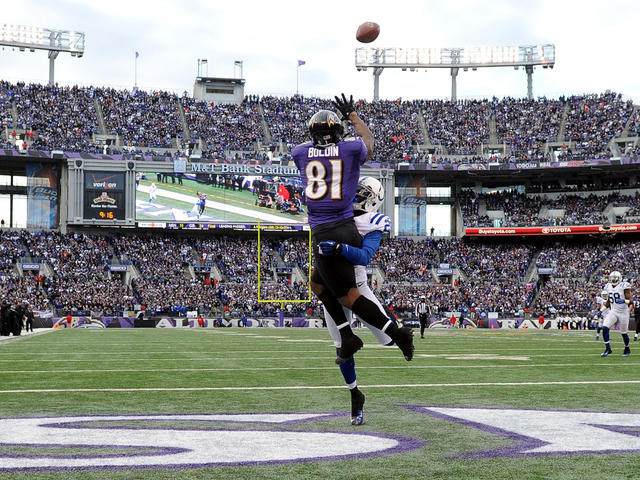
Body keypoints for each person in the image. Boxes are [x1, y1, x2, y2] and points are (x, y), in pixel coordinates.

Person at [292, 94, 414, 365]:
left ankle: (398, 334)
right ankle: (348, 336)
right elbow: (368, 144)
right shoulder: (348, 149)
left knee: (349, 297)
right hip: (343, 225)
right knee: (317, 283)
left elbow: (310, 147)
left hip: (325, 229)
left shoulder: (300, 153)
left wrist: (322, 132)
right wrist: (353, 116)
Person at [320, 176, 394, 426]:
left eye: (363, 192)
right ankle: (355, 395)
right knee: (341, 349)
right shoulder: (337, 212)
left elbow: (364, 257)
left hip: (359, 289)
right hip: (333, 288)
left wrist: (339, 248)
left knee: (389, 339)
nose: (356, 194)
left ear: (373, 199)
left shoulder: (373, 222)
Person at [601, 271, 633, 357]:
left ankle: (627, 348)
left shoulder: (624, 286)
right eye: (612, 278)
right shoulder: (608, 286)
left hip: (623, 312)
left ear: (619, 278)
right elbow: (609, 301)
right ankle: (608, 348)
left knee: (624, 333)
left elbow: (631, 301)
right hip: (613, 311)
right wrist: (602, 310)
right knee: (604, 328)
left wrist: (624, 301)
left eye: (615, 278)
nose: (613, 279)